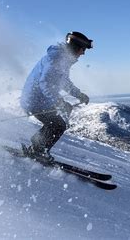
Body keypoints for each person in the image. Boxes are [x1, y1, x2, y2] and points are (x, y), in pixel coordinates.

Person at [20, 31, 93, 162]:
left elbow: (63, 82)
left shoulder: (61, 58)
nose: (83, 53)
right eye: (83, 49)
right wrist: (60, 102)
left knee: (55, 124)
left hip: (39, 99)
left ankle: (36, 147)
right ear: (75, 47)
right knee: (58, 125)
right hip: (35, 100)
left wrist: (79, 95)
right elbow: (45, 82)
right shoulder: (56, 59)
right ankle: (38, 151)